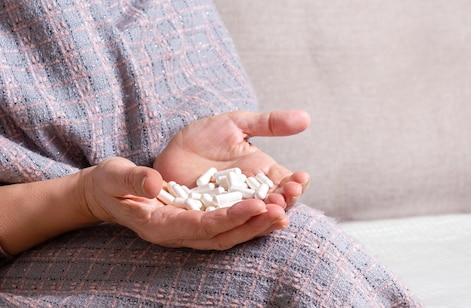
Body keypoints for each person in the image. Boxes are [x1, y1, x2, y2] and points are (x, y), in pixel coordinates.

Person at [0, 0, 419, 306]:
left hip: (156, 205)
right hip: (29, 238)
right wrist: (86, 196)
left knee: (292, 247)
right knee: (300, 264)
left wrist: (187, 139)